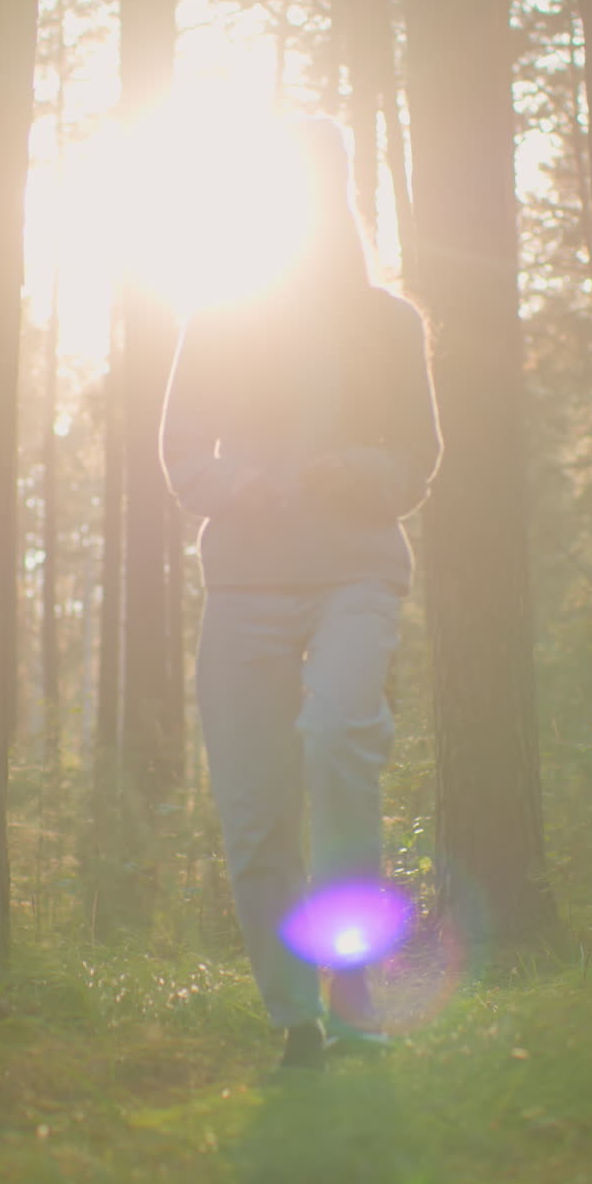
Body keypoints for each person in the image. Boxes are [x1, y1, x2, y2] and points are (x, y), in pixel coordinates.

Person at [159, 117, 442, 1070]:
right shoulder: (217, 319)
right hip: (244, 578)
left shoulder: (389, 323)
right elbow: (182, 455)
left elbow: (418, 458)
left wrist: (354, 467)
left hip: (358, 567)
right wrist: (240, 486)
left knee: (336, 738)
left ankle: (356, 990)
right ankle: (297, 1022)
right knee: (254, 805)